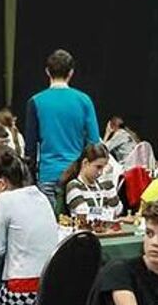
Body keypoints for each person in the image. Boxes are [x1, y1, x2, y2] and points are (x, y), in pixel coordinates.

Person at [0, 147, 62, 305]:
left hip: (22, 293)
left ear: (2, 182)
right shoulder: (41, 195)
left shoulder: (4, 199)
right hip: (50, 292)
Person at [24, 49, 101, 205]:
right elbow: (94, 143)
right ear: (71, 73)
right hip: (76, 176)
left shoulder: (35, 101)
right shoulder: (84, 101)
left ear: (47, 71)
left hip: (48, 174)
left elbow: (30, 149)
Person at [61, 143, 122, 223]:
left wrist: (110, 185)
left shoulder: (103, 185)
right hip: (84, 229)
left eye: (104, 167)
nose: (100, 172)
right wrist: (108, 212)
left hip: (105, 229)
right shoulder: (73, 186)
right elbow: (84, 213)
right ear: (85, 163)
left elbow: (117, 210)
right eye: (98, 167)